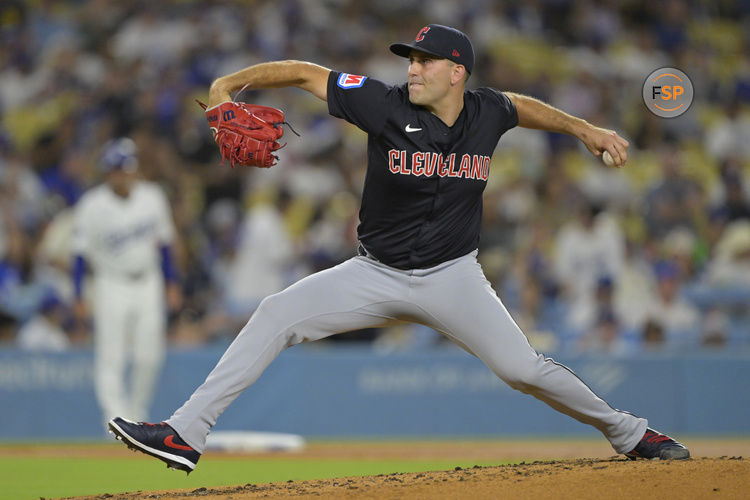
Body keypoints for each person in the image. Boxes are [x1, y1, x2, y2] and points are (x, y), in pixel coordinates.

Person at [108, 25, 689, 473]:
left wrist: (586, 130)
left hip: (453, 276)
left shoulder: (488, 111)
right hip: (374, 272)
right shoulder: (383, 104)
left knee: (522, 368)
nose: (412, 69)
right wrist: (227, 86)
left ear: (456, 71)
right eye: (409, 59)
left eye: (424, 60)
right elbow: (306, 73)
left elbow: (523, 105)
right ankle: (187, 432)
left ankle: (631, 434)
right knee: (275, 312)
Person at [72, 138, 181, 428]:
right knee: (111, 356)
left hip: (148, 281)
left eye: (127, 169)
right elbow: (80, 256)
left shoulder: (152, 196)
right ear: (108, 171)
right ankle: (114, 421)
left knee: (149, 356)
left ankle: (136, 415)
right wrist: (79, 295)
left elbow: (166, 244)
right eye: (118, 170)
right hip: (111, 283)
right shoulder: (92, 205)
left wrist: (172, 283)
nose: (123, 175)